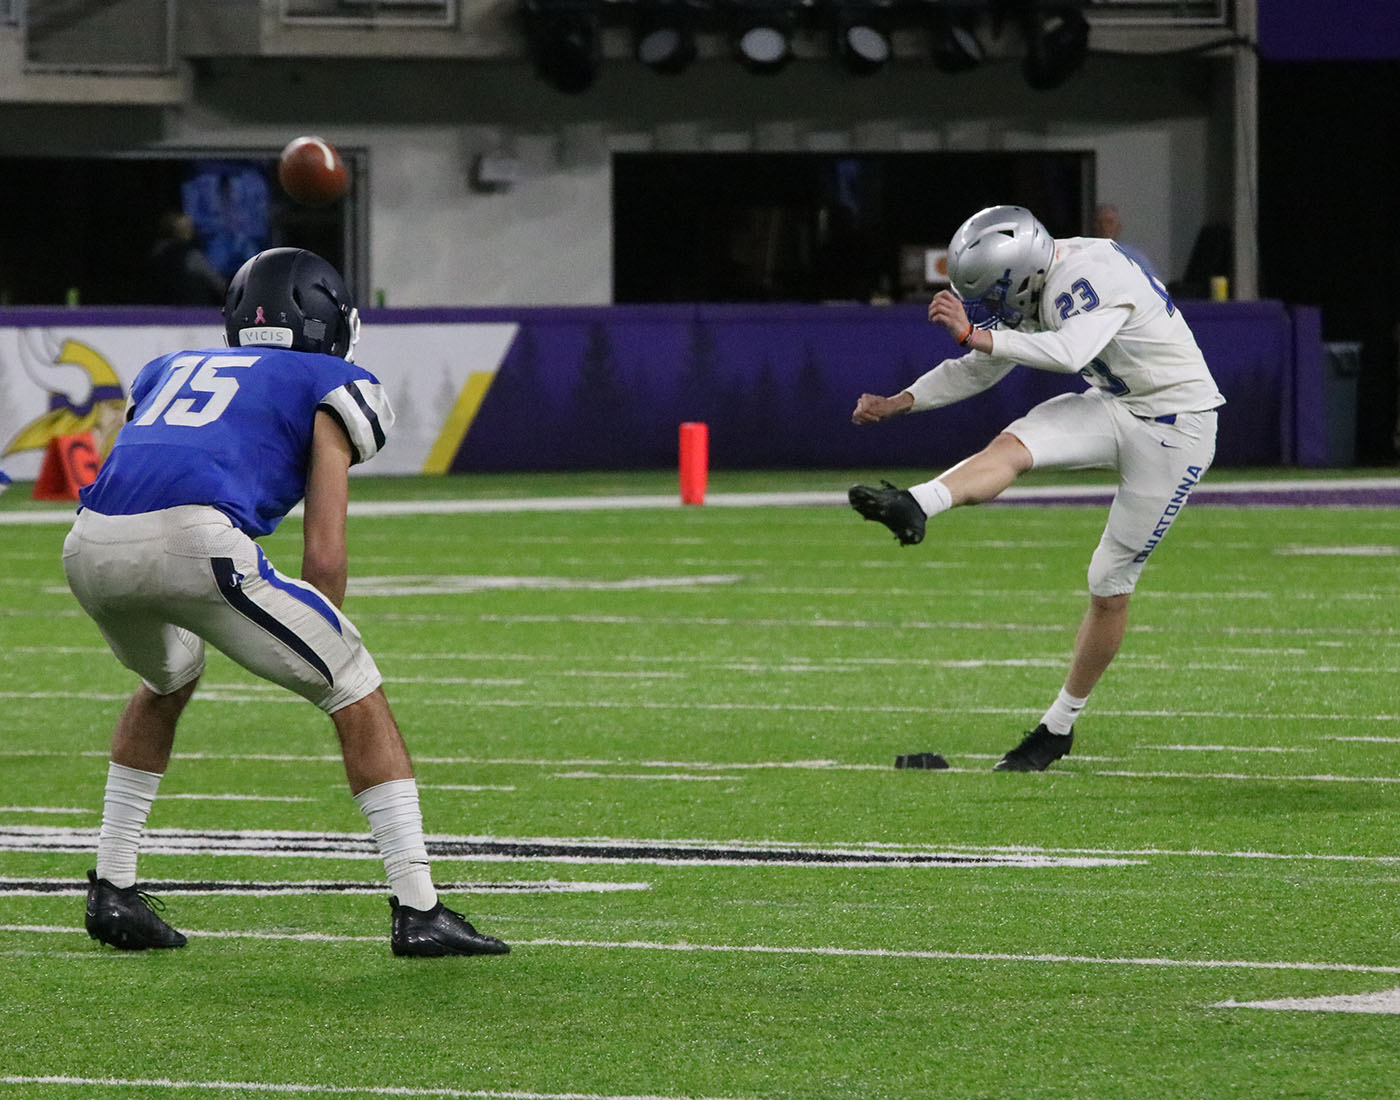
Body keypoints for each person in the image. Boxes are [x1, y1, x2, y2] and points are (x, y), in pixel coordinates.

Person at [64, 247, 509, 957]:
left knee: (167, 677)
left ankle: (113, 889)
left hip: (86, 544)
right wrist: (322, 646)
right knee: (356, 683)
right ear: (328, 319)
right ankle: (419, 908)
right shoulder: (332, 378)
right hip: (194, 538)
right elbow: (324, 551)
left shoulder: (167, 369)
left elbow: (143, 459)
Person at [847, 205, 1223, 771]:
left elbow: (1070, 352)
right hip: (1117, 402)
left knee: (1108, 583)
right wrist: (904, 399)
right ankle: (916, 503)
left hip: (1176, 428)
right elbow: (980, 364)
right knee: (1013, 446)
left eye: (993, 294)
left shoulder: (1087, 274)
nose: (992, 309)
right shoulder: (1041, 271)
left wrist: (975, 334)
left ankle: (1059, 726)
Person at [146, 210, 228, 305]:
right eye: (187, 228)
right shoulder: (191, 256)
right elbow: (219, 285)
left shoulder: (155, 254)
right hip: (190, 314)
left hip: (155, 312)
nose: (192, 230)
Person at [1091, 203, 1159, 281]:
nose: (1103, 227)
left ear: (1119, 227)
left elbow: (1153, 286)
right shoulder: (1082, 252)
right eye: (1099, 222)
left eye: (1109, 222)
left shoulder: (1134, 257)